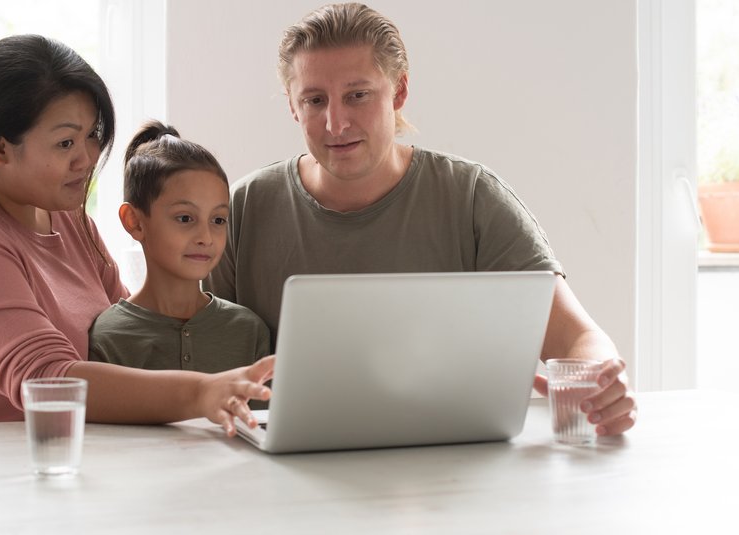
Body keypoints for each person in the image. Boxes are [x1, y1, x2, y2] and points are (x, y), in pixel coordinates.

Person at [206, 3, 636, 436]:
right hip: (280, 471)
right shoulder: (242, 208)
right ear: (293, 108)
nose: (336, 123)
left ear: (398, 92)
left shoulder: (471, 198)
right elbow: (185, 348)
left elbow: (579, 337)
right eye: (315, 100)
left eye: (358, 95)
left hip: (450, 461)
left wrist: (602, 381)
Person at [0, 34, 271, 436]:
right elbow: (45, 381)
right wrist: (203, 392)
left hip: (24, 468)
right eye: (65, 142)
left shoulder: (68, 221)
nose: (89, 157)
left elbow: (124, 331)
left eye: (91, 135)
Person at [88, 121, 270, 405]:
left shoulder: (249, 331)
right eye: (185, 218)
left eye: (218, 220)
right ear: (134, 222)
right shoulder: (109, 336)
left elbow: (262, 431)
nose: (206, 237)